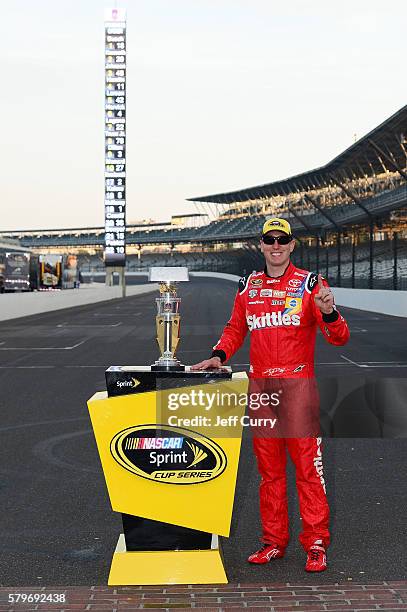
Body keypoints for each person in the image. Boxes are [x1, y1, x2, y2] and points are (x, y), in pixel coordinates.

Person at [191, 217, 350, 572]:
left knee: (309, 470)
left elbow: (339, 338)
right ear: (260, 245)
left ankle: (316, 543)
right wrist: (218, 356)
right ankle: (273, 542)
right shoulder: (248, 285)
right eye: (269, 239)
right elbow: (235, 327)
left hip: (298, 390)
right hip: (261, 390)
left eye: (282, 239)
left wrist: (329, 312)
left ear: (292, 245)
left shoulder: (311, 284)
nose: (276, 245)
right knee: (270, 473)